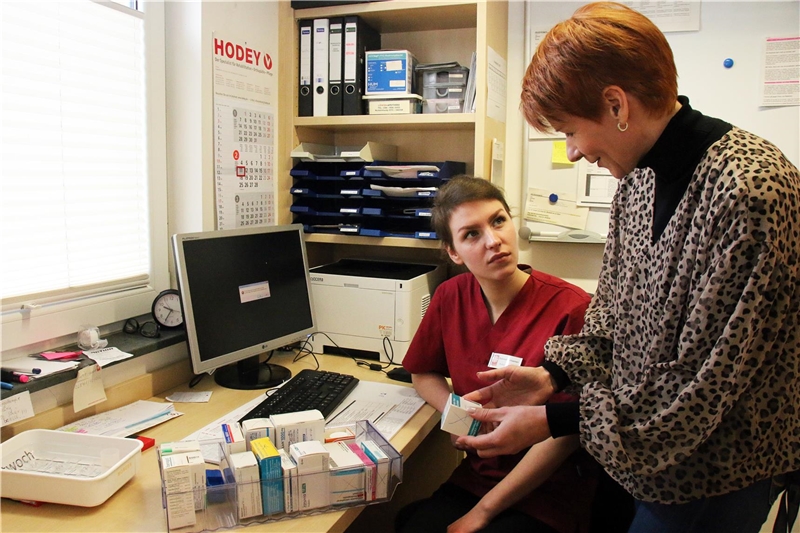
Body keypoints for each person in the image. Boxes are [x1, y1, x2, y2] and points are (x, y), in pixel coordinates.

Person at [456, 3, 800, 533]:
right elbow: (614, 318)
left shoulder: (749, 190)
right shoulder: (638, 182)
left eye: (569, 130)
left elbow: (699, 387)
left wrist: (552, 420)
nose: (571, 153)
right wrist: (553, 376)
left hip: (714, 470)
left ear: (617, 104)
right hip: (636, 456)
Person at [395, 175, 620, 533]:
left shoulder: (573, 308)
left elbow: (569, 432)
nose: (494, 240)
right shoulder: (450, 296)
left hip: (552, 489)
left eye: (498, 221)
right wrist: (460, 415)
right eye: (471, 234)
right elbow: (422, 372)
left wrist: (482, 514)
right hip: (478, 475)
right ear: (453, 252)